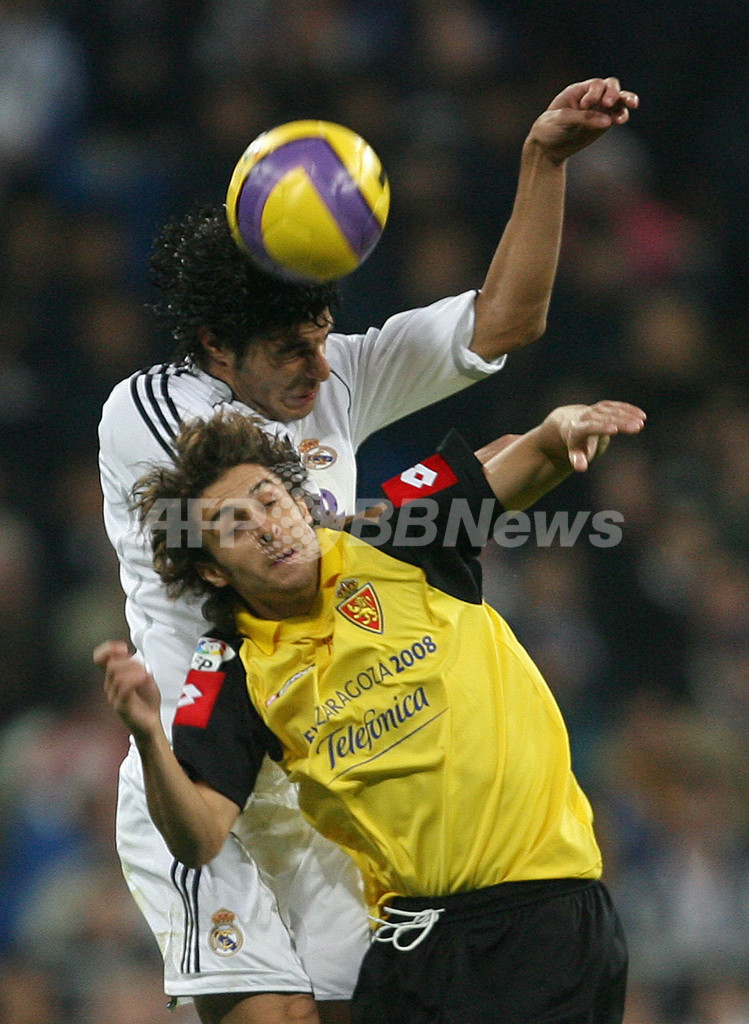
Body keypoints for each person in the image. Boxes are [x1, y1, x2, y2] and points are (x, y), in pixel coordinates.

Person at [97, 77, 638, 1024]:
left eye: (325, 339)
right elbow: (277, 522)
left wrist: (543, 160)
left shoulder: (325, 371)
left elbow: (504, 321)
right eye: (292, 351)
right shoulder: (153, 411)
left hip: (333, 778)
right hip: (206, 766)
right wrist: (468, 485)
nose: (322, 369)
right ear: (217, 347)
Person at [96, 395, 646, 1024]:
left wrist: (558, 429)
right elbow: (198, 837)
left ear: (302, 504)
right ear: (214, 571)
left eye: (271, 501)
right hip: (411, 947)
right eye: (234, 525)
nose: (268, 528)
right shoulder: (227, 667)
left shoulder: (397, 536)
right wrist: (148, 735)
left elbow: (525, 464)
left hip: (539, 922)